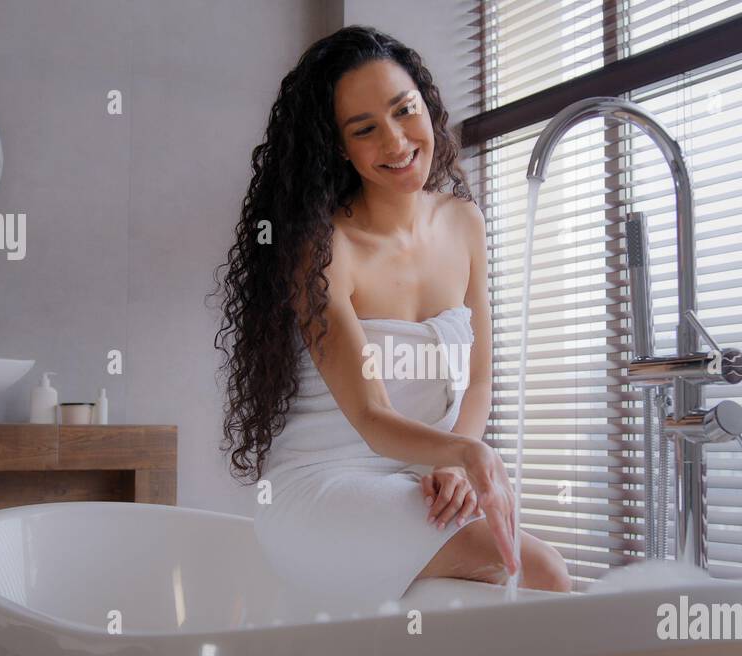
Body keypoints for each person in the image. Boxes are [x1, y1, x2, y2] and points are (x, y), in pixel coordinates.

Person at [212, 26, 571, 604]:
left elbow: (478, 379)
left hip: (420, 479)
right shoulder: (324, 248)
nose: (397, 140)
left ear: (425, 105)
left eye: (405, 111)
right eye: (365, 130)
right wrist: (464, 454)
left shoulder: (463, 223)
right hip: (325, 486)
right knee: (542, 574)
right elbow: (372, 416)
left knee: (531, 585)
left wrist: (455, 463)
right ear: (339, 148)